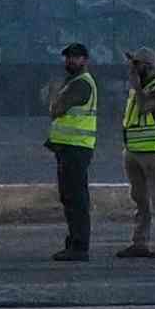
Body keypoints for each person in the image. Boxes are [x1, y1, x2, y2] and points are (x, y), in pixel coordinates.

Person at [43, 39, 109, 262]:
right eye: (68, 56)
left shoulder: (81, 83)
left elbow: (57, 110)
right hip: (68, 148)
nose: (70, 60)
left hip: (76, 148)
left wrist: (53, 96)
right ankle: (75, 242)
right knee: (70, 197)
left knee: (76, 198)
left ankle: (79, 246)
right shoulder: (73, 82)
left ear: (85, 60)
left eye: (75, 56)